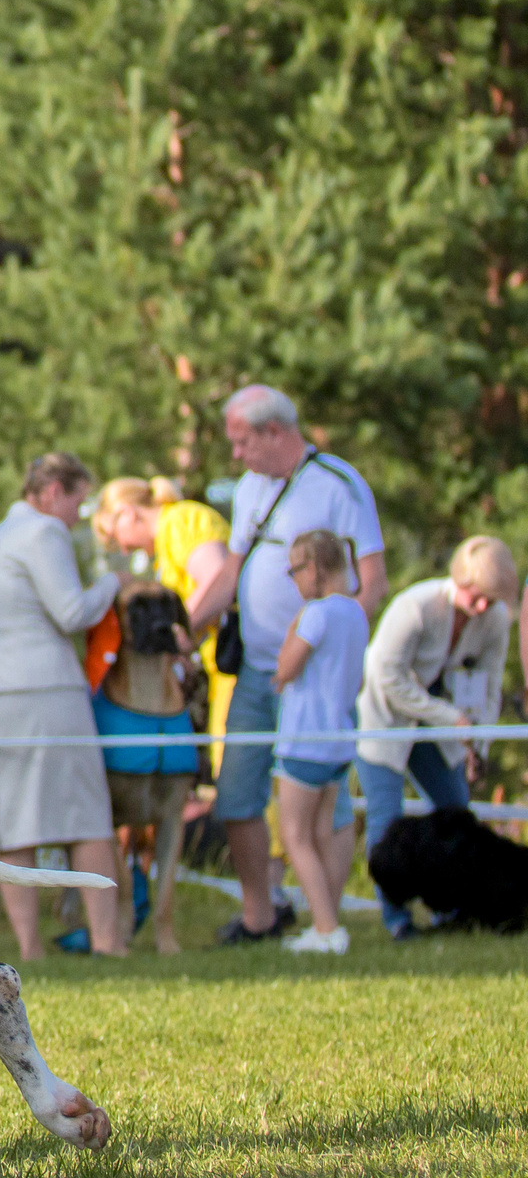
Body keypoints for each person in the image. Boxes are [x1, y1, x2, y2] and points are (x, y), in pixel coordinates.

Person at [178, 386, 385, 944]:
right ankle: (260, 916)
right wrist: (187, 631)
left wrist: (333, 658)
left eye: (243, 441)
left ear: (275, 431)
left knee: (328, 810)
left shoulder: (341, 485)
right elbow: (230, 573)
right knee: (237, 795)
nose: (237, 455)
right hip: (256, 672)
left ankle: (325, 920)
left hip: (312, 686)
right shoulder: (250, 489)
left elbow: (372, 585)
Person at [0, 452, 125, 960]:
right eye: (78, 500)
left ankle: (30, 949)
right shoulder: (44, 533)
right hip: (44, 690)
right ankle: (108, 942)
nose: (78, 515)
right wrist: (114, 579)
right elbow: (73, 611)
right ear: (54, 489)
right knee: (85, 814)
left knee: (12, 821)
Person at [355, 536, 516, 939]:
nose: (482, 608)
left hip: (442, 730)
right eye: (476, 596)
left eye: (491, 600)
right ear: (458, 578)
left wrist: (479, 744)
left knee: (457, 810)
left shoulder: (494, 621)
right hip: (386, 721)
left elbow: (490, 685)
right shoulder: (416, 607)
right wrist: (451, 718)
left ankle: (456, 910)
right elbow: (386, 677)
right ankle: (398, 922)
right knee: (386, 819)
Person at [271, 530, 369, 954]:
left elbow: (285, 669)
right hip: (337, 739)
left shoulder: (317, 613)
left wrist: (294, 625)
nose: (294, 580)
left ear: (314, 568)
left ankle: (327, 929)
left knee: (296, 835)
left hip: (303, 738)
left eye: (295, 570)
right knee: (324, 832)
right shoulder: (356, 613)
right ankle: (328, 921)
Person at [93, 475, 235, 765]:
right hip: (220, 667)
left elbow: (217, 576)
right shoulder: (166, 544)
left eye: (113, 536)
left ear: (128, 513)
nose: (121, 549)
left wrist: (179, 635)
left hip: (239, 662)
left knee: (235, 771)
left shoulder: (180, 520)